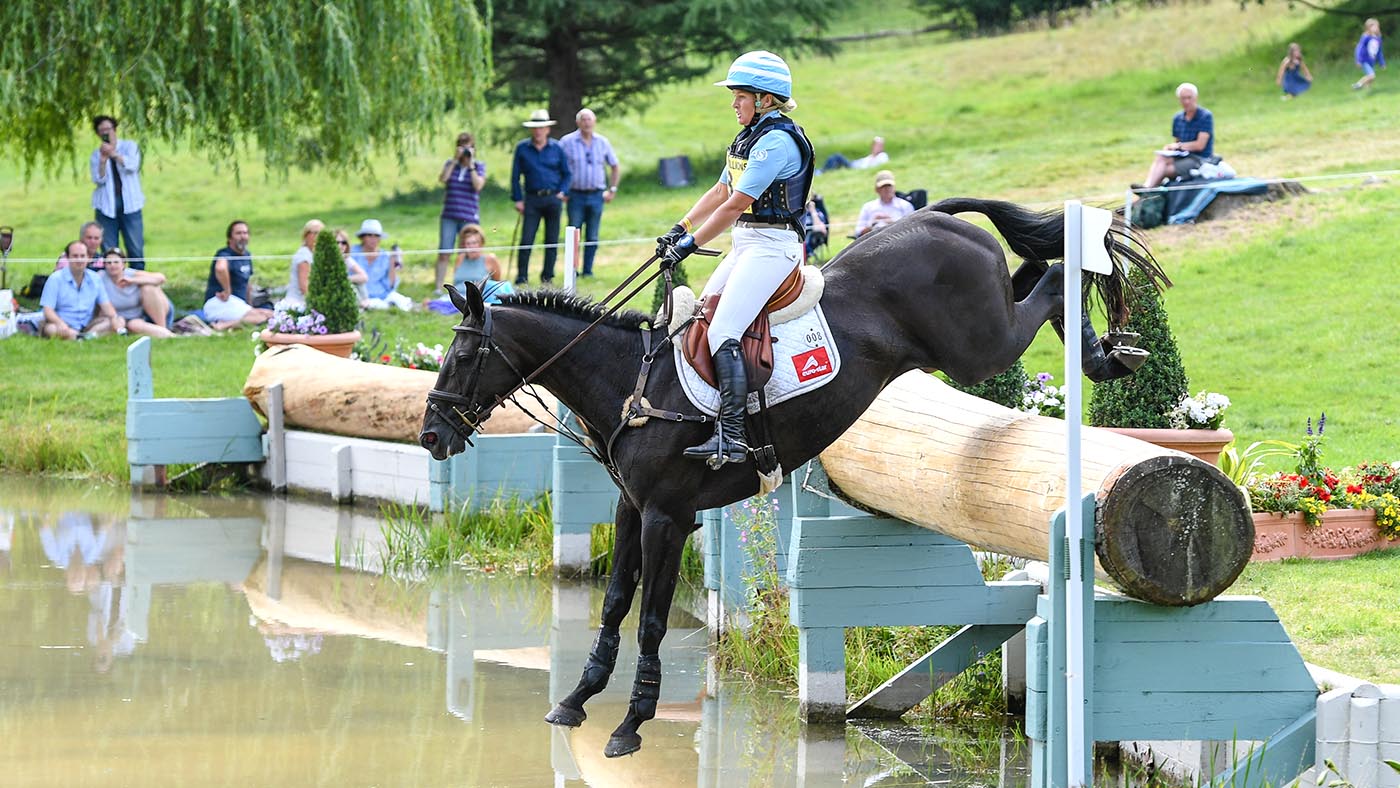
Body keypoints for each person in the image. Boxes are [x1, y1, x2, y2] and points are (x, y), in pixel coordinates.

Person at [655, 50, 813, 467]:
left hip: (772, 247)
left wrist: (690, 246)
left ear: (763, 99)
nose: (733, 103)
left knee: (723, 330)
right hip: (747, 244)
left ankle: (733, 436)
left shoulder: (776, 143)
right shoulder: (749, 137)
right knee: (699, 319)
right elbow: (719, 192)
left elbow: (735, 204)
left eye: (739, 96)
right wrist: (681, 227)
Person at [510, 110, 571, 285]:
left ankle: (548, 276)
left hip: (552, 198)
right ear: (532, 130)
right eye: (535, 128)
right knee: (527, 238)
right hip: (532, 198)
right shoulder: (522, 148)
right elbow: (515, 176)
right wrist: (518, 199)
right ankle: (522, 276)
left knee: (551, 240)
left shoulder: (557, 148)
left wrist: (562, 191)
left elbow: (566, 174)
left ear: (547, 129)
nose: (538, 131)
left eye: (542, 128)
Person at [560, 108, 621, 277]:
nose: (587, 123)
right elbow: (558, 166)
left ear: (594, 122)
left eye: (589, 119)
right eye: (583, 119)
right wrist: (562, 190)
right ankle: (572, 270)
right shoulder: (567, 142)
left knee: (592, 235)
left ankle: (588, 270)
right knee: (574, 234)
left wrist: (612, 189)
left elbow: (615, 166)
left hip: (596, 195)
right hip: (575, 195)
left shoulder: (602, 142)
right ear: (578, 122)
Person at [89, 115, 146, 268]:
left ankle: (138, 284)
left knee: (135, 248)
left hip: (130, 204)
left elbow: (132, 165)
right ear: (98, 134)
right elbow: (98, 180)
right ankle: (112, 285)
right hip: (106, 207)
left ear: (114, 130)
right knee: (109, 250)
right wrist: (103, 160)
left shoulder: (129, 146)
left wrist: (113, 154)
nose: (105, 133)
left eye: (108, 129)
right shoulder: (96, 154)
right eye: (101, 131)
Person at [40, 241, 125, 339]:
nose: (79, 260)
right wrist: (60, 323)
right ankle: (83, 336)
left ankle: (86, 336)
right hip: (63, 324)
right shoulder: (55, 279)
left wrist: (114, 318)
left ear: (88, 258)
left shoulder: (95, 278)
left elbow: (106, 305)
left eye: (82, 256)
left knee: (118, 320)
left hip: (87, 324)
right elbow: (47, 310)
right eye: (75, 256)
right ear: (68, 258)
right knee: (51, 329)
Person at [436, 131, 487, 290]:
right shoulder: (450, 164)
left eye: (468, 148)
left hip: (469, 215)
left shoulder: (479, 166)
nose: (465, 151)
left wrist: (470, 164)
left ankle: (462, 284)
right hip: (449, 215)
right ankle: (439, 286)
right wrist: (454, 160)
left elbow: (478, 185)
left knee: (466, 252)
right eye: (462, 147)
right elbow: (443, 179)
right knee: (444, 251)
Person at [422, 224, 513, 312]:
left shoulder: (490, 260)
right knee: (431, 303)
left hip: (475, 299)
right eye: (468, 244)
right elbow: (456, 282)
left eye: (474, 243)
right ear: (464, 245)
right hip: (457, 296)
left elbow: (496, 284)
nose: (471, 247)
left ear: (481, 243)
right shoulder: (460, 258)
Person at [1141, 83, 1215, 189]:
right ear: (1179, 100)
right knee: (1161, 157)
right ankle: (1146, 187)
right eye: (1183, 98)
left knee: (1163, 171)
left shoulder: (1205, 116)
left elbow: (1200, 145)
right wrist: (1171, 148)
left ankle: (1147, 190)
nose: (1186, 102)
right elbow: (1177, 142)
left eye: (1189, 98)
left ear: (1196, 98)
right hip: (1182, 156)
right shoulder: (1177, 118)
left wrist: (1179, 146)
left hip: (1199, 159)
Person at [203, 220, 273, 330]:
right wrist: (227, 290)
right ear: (230, 238)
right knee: (261, 317)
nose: (243, 236)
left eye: (245, 233)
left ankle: (229, 323)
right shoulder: (224, 254)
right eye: (238, 233)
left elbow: (247, 284)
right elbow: (220, 268)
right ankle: (222, 326)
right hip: (219, 302)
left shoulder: (246, 255)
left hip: (237, 304)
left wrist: (250, 306)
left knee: (270, 314)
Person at [100, 248, 174, 338]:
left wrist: (133, 281)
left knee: (149, 288)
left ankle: (164, 329)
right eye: (109, 263)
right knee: (132, 325)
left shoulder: (131, 274)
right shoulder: (101, 277)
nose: (112, 265)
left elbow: (161, 278)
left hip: (144, 315)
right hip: (119, 320)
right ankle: (165, 334)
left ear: (123, 264)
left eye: (116, 262)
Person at [350, 219, 413, 311]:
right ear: (362, 237)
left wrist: (393, 263)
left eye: (376, 236)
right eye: (369, 235)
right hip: (359, 294)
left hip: (381, 295)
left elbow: (390, 286)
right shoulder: (352, 253)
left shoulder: (385, 256)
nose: (373, 239)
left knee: (400, 301)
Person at [855, 170, 916, 236]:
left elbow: (913, 229)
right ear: (877, 190)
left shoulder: (905, 205)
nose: (887, 189)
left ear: (894, 188)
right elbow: (858, 232)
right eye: (883, 187)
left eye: (889, 186)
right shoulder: (868, 207)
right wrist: (872, 225)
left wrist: (893, 223)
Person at [281, 219, 324, 309]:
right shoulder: (304, 256)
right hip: (298, 303)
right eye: (315, 233)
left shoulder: (315, 254)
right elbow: (304, 287)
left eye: (321, 233)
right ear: (306, 235)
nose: (318, 236)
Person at [333, 228, 371, 304]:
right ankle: (360, 305)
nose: (340, 245)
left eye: (344, 243)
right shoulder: (328, 258)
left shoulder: (346, 259)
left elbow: (364, 277)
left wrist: (347, 279)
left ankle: (364, 303)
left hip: (343, 288)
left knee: (359, 282)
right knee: (350, 285)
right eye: (337, 242)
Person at [817, 136, 888, 174]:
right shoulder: (871, 156)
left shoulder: (882, 156)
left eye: (880, 146)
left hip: (856, 168)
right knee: (835, 160)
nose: (878, 147)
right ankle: (820, 171)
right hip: (854, 164)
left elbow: (878, 167)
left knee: (837, 157)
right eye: (876, 145)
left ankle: (821, 172)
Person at [1354, 18, 1386, 91]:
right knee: (1371, 76)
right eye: (1373, 26)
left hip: (1371, 61)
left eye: (1376, 26)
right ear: (1368, 28)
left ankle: (1368, 91)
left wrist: (1382, 63)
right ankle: (1358, 85)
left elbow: (1379, 51)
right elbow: (1359, 48)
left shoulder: (1378, 38)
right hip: (1364, 60)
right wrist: (1358, 60)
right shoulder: (1366, 37)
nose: (1375, 28)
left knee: (1370, 79)